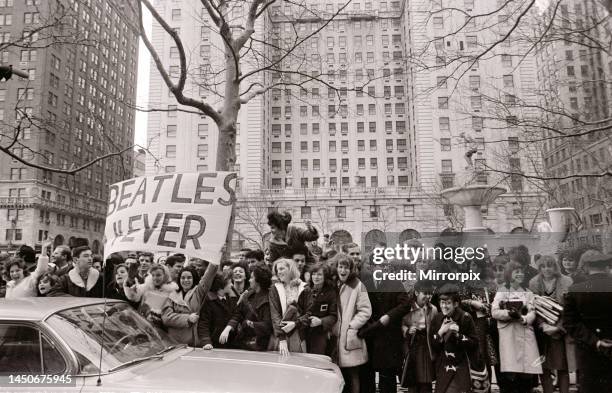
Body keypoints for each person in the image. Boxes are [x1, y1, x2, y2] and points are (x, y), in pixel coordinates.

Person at [359, 257, 411, 393]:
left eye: (384, 265)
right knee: (368, 376)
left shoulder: (395, 283)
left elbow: (405, 305)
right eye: (379, 265)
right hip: (371, 336)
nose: (382, 268)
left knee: (387, 377)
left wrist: (389, 316)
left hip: (389, 338)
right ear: (371, 267)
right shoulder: (365, 284)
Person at [563, 250, 612, 393]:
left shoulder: (575, 290)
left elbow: (570, 323)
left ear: (586, 268)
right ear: (607, 268)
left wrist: (595, 341)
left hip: (587, 352)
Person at [492, 261, 542, 393]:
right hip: (509, 334)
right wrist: (509, 314)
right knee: (511, 370)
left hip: (525, 333)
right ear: (509, 274)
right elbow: (494, 312)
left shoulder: (527, 292)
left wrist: (523, 318)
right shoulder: (502, 291)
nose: (520, 274)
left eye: (521, 271)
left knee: (526, 369)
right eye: (516, 272)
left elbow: (532, 312)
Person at [528, 255, 575, 393]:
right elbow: (532, 307)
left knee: (562, 366)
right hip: (541, 332)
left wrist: (558, 327)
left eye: (550, 266)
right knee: (544, 367)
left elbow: (571, 309)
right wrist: (543, 326)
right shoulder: (533, 283)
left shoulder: (567, 281)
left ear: (555, 266)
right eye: (543, 266)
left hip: (561, 331)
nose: (547, 269)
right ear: (539, 268)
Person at [430, 283, 478, 393]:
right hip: (443, 368)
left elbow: (474, 343)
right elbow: (434, 345)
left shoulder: (465, 318)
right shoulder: (437, 318)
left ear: (456, 303)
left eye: (448, 303)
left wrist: (458, 335)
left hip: (461, 368)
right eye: (442, 303)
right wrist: (441, 332)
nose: (444, 306)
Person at [335, 254, 372, 393]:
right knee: (338, 375)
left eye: (346, 267)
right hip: (335, 336)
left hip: (349, 336)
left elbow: (366, 310)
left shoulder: (357, 285)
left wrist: (352, 326)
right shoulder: (334, 283)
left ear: (351, 269)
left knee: (353, 374)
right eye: (340, 267)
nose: (343, 270)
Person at [221, 264, 274, 351]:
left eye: (252, 278)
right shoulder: (248, 295)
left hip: (259, 346)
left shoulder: (268, 300)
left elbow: (267, 326)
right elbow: (238, 314)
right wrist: (228, 328)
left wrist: (248, 323)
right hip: (242, 343)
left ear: (258, 281)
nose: (249, 280)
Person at [400, 280, 437, 393]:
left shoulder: (433, 309)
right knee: (413, 381)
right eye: (425, 293)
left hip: (426, 347)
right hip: (413, 347)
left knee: (426, 382)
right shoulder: (407, 308)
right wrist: (407, 330)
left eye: (430, 293)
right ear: (416, 292)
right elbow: (402, 324)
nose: (428, 296)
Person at [296, 262, 338, 355]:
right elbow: (299, 309)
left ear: (325, 277)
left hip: (320, 333)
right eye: (314, 274)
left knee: (317, 358)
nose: (316, 277)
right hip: (304, 331)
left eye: (319, 274)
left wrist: (321, 321)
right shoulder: (306, 290)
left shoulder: (331, 293)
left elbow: (334, 315)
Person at [269, 258, 307, 355]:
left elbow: (309, 312)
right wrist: (282, 339)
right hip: (281, 336)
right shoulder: (275, 288)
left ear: (290, 269)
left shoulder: (304, 287)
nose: (279, 272)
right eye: (277, 270)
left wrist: (296, 324)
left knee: (299, 363)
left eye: (282, 269)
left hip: (299, 334)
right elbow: (275, 315)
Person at [162, 267, 207, 346]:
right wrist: (188, 318)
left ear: (194, 279)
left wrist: (214, 262)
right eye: (183, 278)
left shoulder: (198, 292)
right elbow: (166, 318)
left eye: (189, 278)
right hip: (174, 342)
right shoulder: (170, 294)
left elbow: (208, 277)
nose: (186, 280)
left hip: (193, 342)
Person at [124, 264, 178, 329]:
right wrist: (130, 283)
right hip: (143, 323)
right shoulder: (146, 287)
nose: (155, 278)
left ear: (165, 276)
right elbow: (133, 297)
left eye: (158, 275)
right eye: (153, 275)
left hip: (161, 328)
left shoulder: (171, 291)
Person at [198, 273, 237, 349]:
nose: (232, 285)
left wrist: (229, 327)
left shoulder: (232, 298)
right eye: (229, 283)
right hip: (214, 343)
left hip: (231, 343)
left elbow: (237, 314)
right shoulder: (209, 301)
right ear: (221, 286)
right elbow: (203, 323)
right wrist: (206, 342)